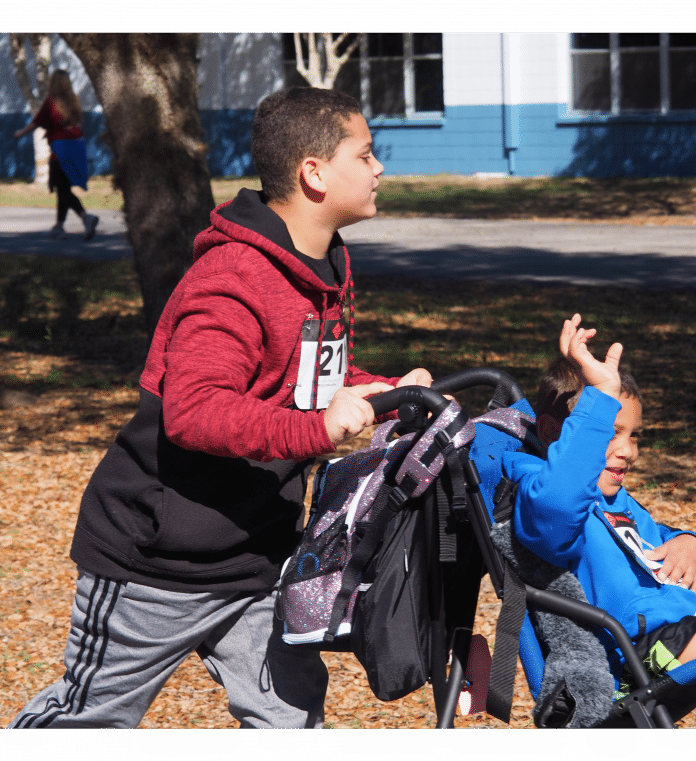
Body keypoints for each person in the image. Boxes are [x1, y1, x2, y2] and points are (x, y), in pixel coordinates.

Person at [7, 86, 433, 729]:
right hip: (155, 562)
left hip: (258, 557)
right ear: (313, 173)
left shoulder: (322, 264)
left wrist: (389, 391)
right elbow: (195, 410)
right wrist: (318, 426)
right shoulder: (233, 277)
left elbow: (303, 379)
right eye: (365, 153)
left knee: (290, 713)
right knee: (88, 719)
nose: (380, 168)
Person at [503, 313, 696, 697]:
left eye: (634, 436)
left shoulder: (615, 500)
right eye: (609, 433)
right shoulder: (542, 499)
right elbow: (560, 503)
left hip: (677, 628)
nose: (628, 452)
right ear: (550, 433)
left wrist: (687, 539)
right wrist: (603, 393)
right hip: (635, 658)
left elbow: (650, 541)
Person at [14, 69, 99, 241]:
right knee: (64, 189)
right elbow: (78, 124)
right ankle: (59, 227)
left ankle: (86, 218)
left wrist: (21, 133)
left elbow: (36, 122)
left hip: (59, 151)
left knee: (62, 189)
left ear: (54, 83)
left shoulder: (51, 102)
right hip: (76, 148)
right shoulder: (75, 101)